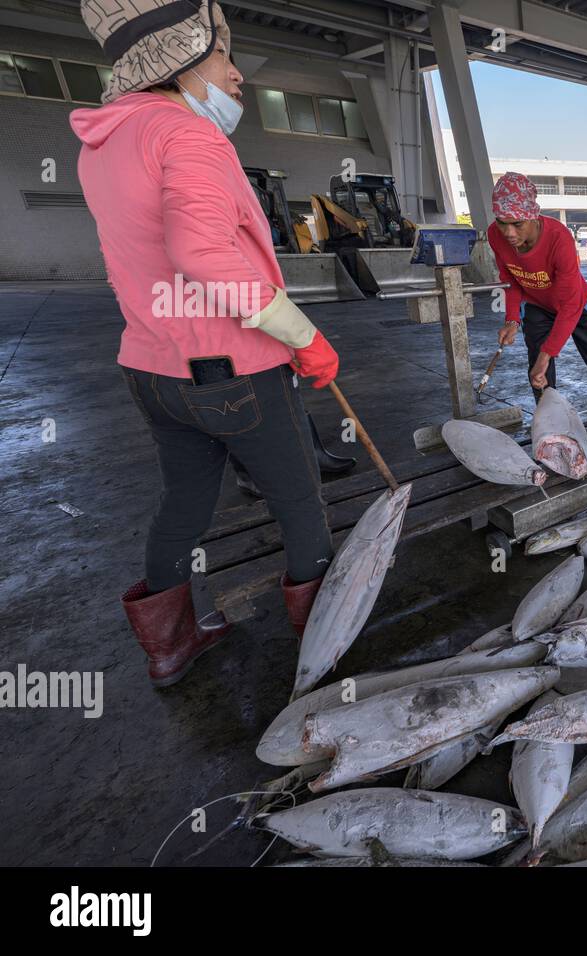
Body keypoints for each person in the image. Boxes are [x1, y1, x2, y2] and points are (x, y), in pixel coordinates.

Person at [73, 0, 337, 687]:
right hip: (233, 370)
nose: (238, 74)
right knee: (299, 501)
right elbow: (203, 253)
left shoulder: (103, 142)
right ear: (181, 66)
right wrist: (301, 334)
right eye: (223, 56)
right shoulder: (188, 137)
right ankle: (326, 647)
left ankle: (169, 647)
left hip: (150, 368)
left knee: (183, 503)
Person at [488, 172, 587, 403]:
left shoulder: (559, 238)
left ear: (532, 216)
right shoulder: (494, 235)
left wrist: (548, 353)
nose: (509, 233)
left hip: (575, 305)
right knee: (537, 368)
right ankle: (548, 420)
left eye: (517, 224)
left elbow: (569, 305)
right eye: (502, 223)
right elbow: (510, 278)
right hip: (538, 306)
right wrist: (511, 320)